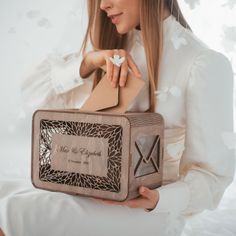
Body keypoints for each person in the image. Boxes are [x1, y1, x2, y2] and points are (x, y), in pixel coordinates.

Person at [6, 0, 233, 235]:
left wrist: (159, 199)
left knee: (21, 210)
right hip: (88, 192)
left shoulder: (203, 63)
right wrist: (86, 64)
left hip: (147, 213)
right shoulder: (112, 50)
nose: (103, 5)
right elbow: (36, 101)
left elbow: (212, 176)